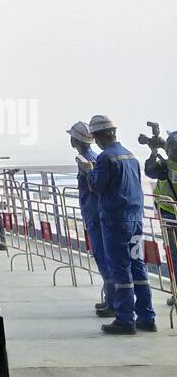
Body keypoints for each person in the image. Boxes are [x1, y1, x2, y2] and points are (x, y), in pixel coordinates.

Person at [82, 114, 156, 334]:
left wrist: (88, 171)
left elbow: (97, 186)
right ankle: (146, 316)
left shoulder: (105, 158)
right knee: (137, 266)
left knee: (120, 269)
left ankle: (125, 319)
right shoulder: (130, 155)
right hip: (134, 219)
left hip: (115, 221)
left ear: (98, 136)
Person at [68, 121, 113, 316]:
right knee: (104, 258)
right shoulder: (92, 158)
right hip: (94, 214)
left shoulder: (88, 161)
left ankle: (112, 302)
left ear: (75, 140)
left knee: (104, 259)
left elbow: (95, 188)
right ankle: (111, 299)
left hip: (96, 215)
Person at [143, 129, 177, 309]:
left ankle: (176, 293)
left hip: (169, 215)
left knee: (174, 257)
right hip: (170, 214)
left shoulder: (165, 167)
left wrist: (153, 150)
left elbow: (149, 169)